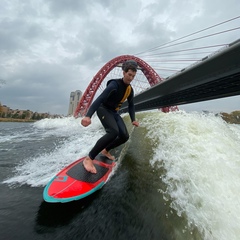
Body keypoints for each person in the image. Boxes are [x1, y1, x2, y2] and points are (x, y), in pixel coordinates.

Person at [81, 60, 140, 173]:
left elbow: (131, 105)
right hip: (103, 109)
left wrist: (133, 120)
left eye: (133, 76)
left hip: (114, 112)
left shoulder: (130, 90)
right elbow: (100, 99)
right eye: (129, 75)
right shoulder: (114, 85)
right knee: (113, 132)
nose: (131, 78)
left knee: (124, 136)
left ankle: (105, 150)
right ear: (123, 73)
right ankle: (89, 158)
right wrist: (88, 116)